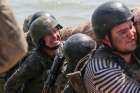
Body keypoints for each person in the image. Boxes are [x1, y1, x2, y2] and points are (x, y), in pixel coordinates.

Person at [84, 1, 140, 93]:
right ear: (105, 39)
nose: (131, 34)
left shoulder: (125, 52)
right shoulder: (103, 71)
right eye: (122, 32)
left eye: (130, 27)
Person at [4, 13, 63, 93]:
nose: (55, 36)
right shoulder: (34, 61)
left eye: (56, 31)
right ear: (41, 40)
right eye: (49, 34)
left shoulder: (65, 49)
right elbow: (10, 86)